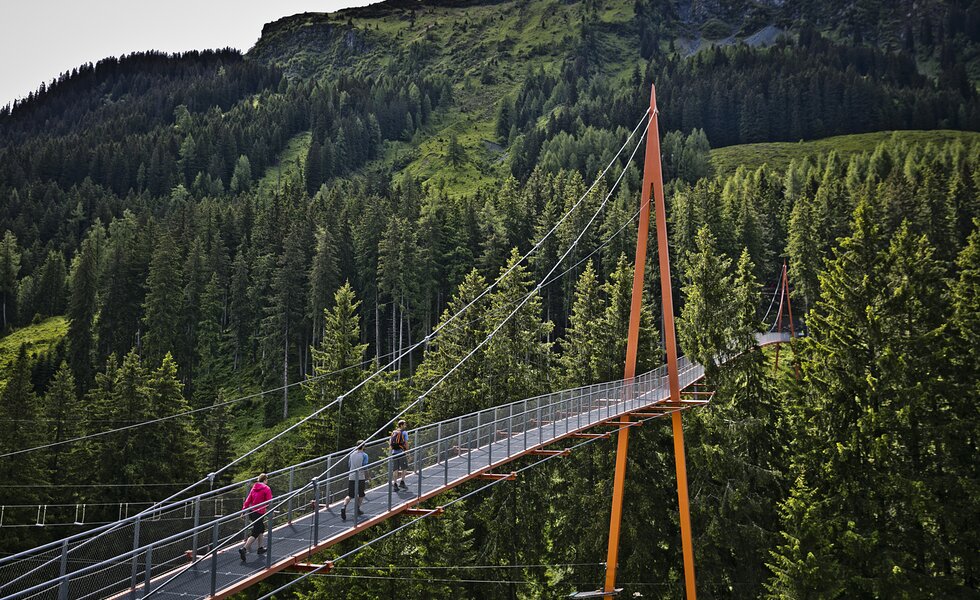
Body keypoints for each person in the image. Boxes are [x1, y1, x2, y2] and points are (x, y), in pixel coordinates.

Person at [239, 473, 272, 562]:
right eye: (267, 480)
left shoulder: (254, 487)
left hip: (252, 512)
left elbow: (248, 500)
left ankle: (260, 548)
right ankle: (244, 549)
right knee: (255, 532)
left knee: (261, 528)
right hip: (259, 512)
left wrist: (243, 511)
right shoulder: (267, 488)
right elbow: (269, 501)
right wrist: (270, 510)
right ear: (265, 480)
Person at [341, 440, 369, 521]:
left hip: (352, 476)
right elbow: (365, 467)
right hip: (360, 477)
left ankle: (344, 506)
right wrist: (368, 477)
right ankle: (357, 509)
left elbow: (349, 465)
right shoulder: (364, 455)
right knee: (361, 494)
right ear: (363, 446)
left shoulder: (352, 454)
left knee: (350, 495)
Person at [389, 419, 410, 492]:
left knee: (395, 469)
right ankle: (402, 482)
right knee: (404, 467)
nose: (405, 425)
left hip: (394, 453)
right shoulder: (404, 432)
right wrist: (407, 452)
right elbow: (406, 443)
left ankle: (395, 483)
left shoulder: (394, 432)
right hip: (401, 452)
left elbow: (390, 443)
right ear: (401, 425)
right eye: (404, 424)